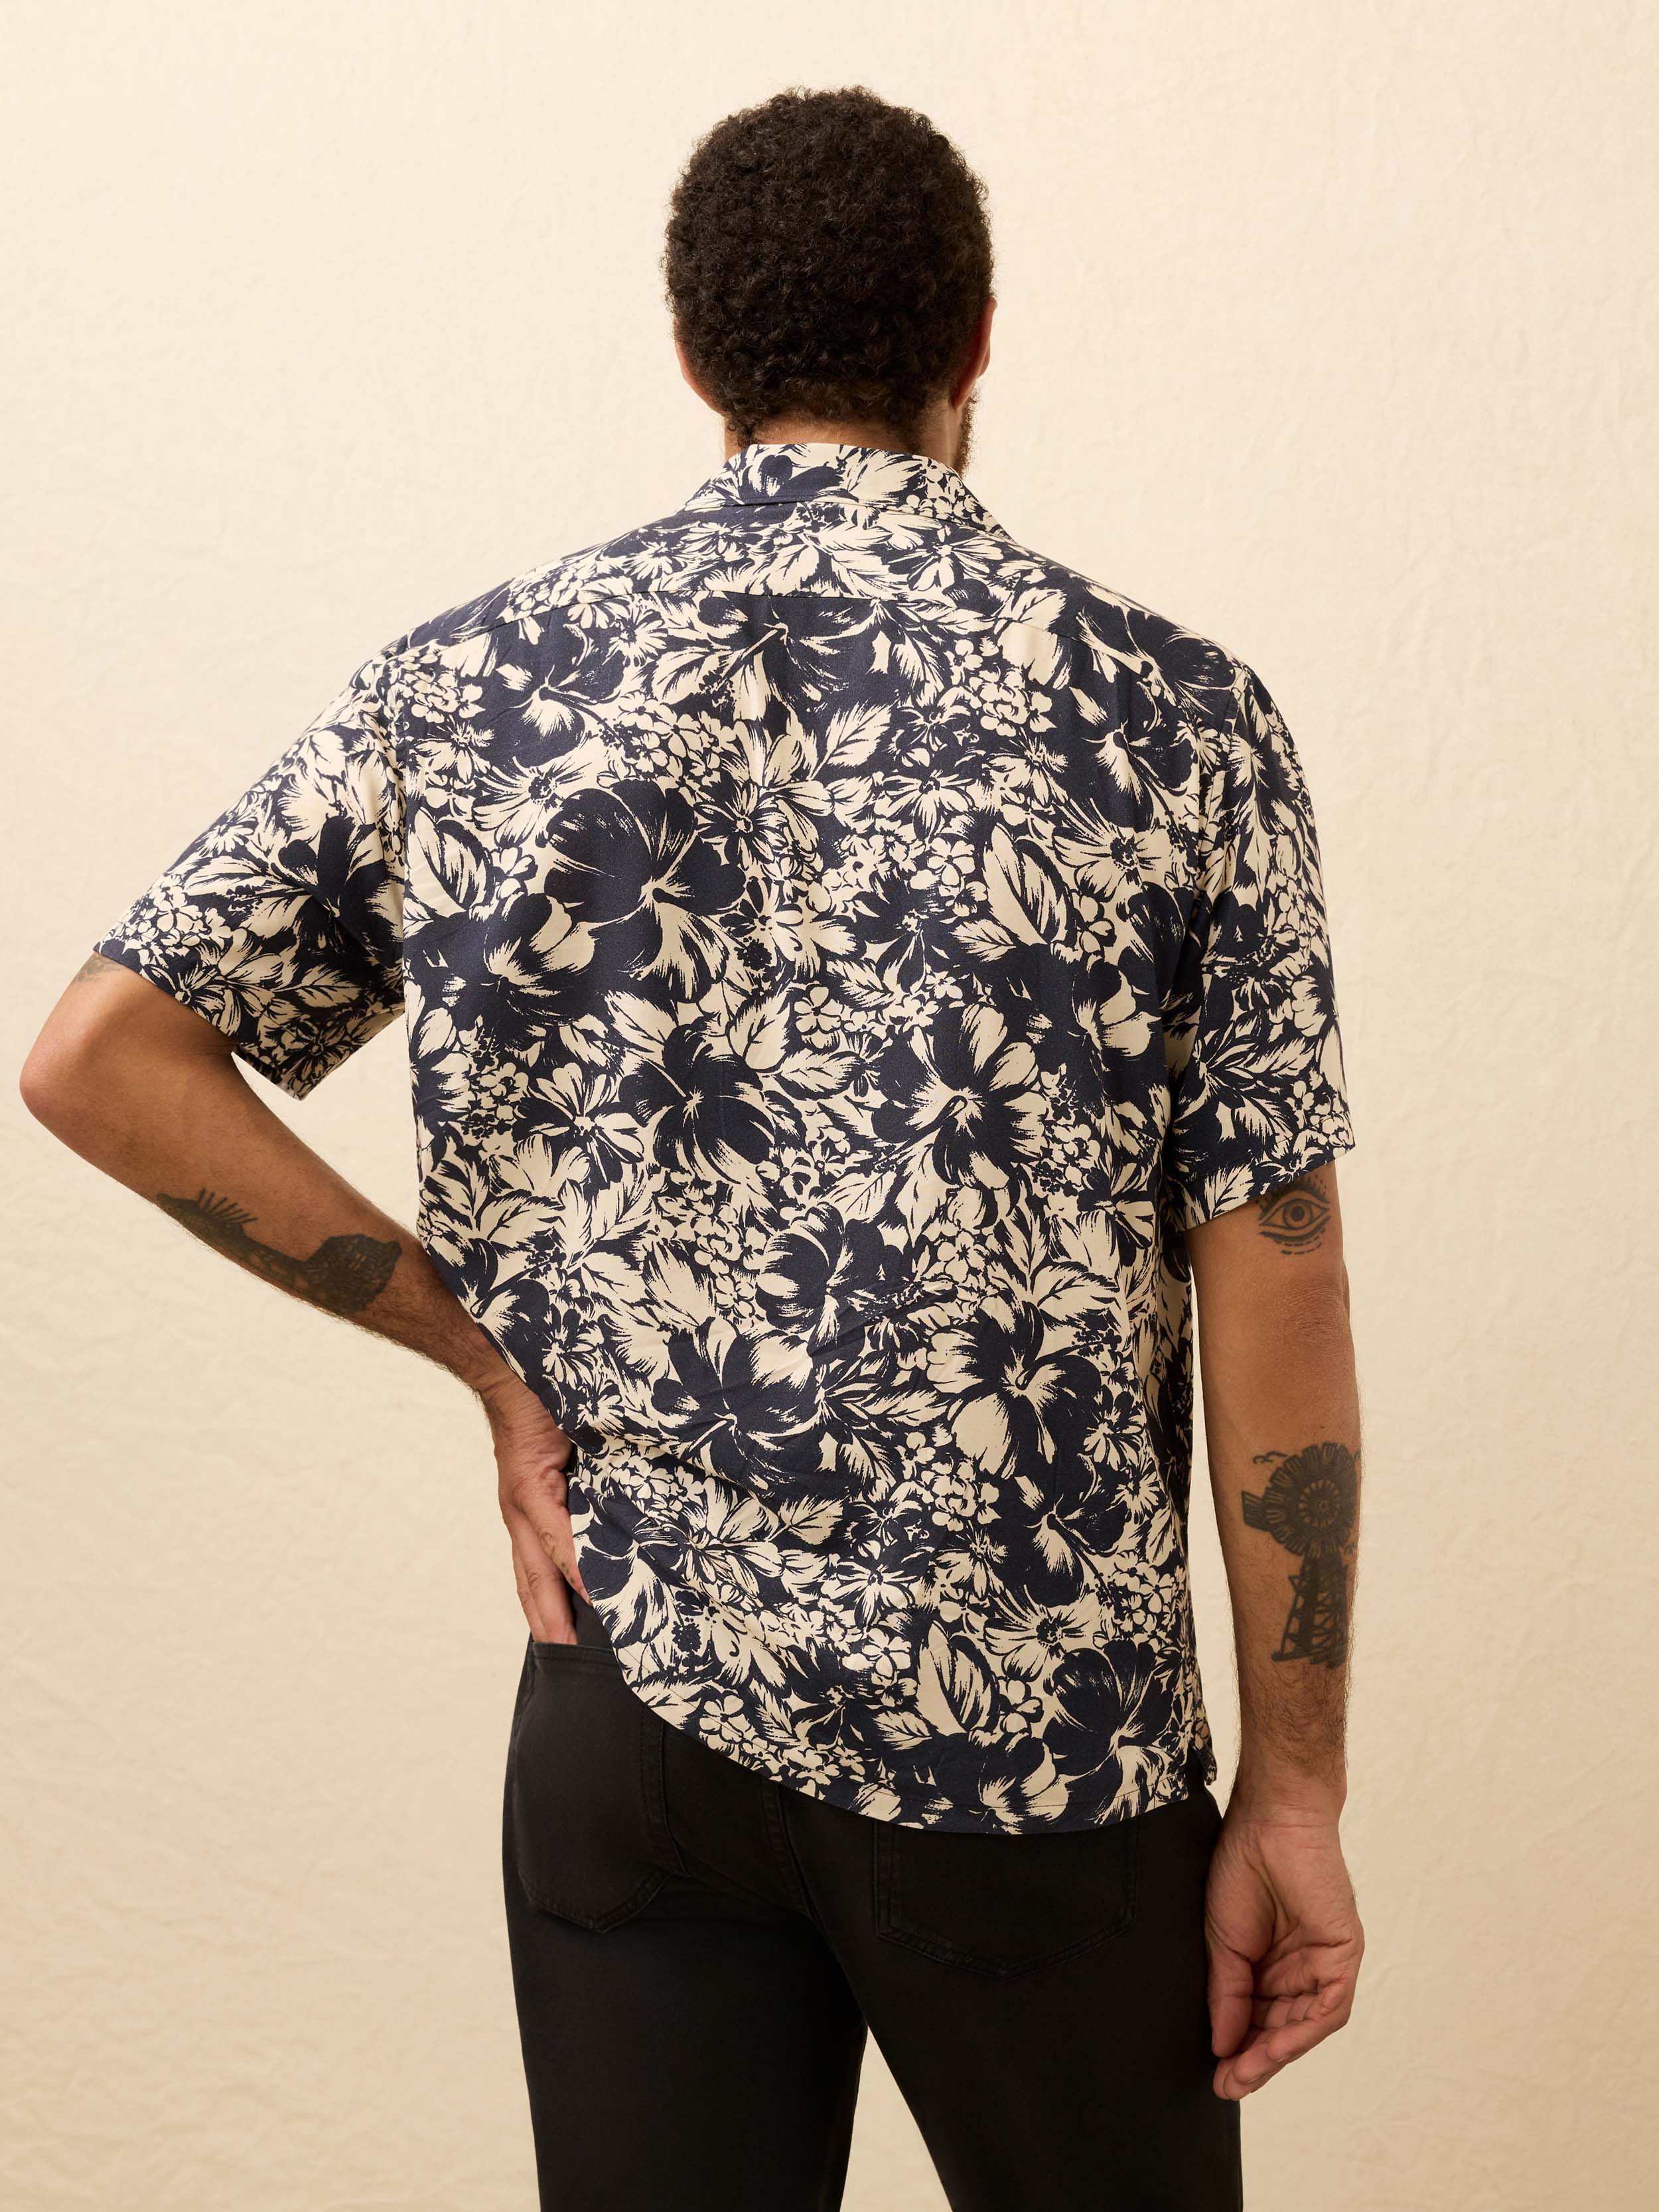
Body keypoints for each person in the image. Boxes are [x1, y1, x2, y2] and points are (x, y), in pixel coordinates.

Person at [21, 84, 1364, 2212]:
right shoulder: (1168, 716)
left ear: (697, 363)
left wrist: (489, 1365)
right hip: (1028, 1730)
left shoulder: (470, 691)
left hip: (626, 1710)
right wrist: (1291, 1797)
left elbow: (101, 1057)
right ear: (978, 340)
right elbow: (1270, 1265)